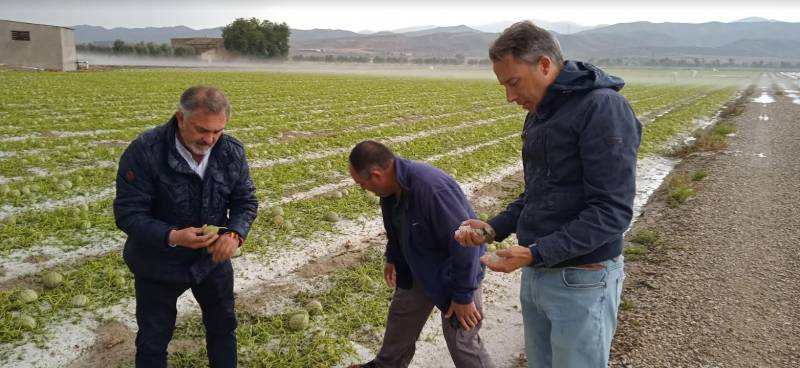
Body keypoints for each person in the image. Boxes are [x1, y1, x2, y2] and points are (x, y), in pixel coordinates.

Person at [455, 21, 641, 368]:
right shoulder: (541, 114)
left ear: (544, 65)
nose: (510, 97)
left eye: (513, 82)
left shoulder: (602, 108)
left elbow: (611, 211)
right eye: (504, 86)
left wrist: (537, 252)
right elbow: (541, 191)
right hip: (539, 272)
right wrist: (494, 227)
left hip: (582, 278)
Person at [113, 86, 258, 368]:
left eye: (218, 131)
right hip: (157, 263)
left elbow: (246, 201)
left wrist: (234, 233)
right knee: (153, 339)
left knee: (223, 327)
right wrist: (172, 236)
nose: (210, 139)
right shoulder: (145, 151)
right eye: (202, 130)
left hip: (211, 261)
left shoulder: (230, 152)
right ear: (180, 118)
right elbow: (128, 213)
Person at [347, 140, 494, 368]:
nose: (363, 189)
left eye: (361, 184)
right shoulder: (390, 190)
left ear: (376, 175)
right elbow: (396, 227)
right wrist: (393, 257)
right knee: (401, 321)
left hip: (454, 271)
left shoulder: (431, 188)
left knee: (462, 340)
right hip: (419, 265)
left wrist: (464, 295)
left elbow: (466, 242)